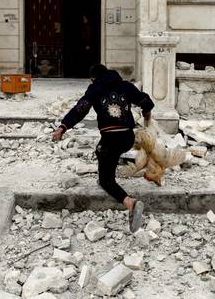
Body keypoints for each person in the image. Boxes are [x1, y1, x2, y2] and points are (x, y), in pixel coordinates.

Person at [52, 64, 154, 232]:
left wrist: (63, 127)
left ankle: (130, 203)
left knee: (106, 179)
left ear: (93, 78)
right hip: (127, 137)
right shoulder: (126, 86)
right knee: (100, 151)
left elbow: (80, 109)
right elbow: (146, 101)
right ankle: (106, 172)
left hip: (110, 140)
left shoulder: (95, 88)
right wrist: (147, 114)